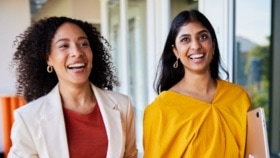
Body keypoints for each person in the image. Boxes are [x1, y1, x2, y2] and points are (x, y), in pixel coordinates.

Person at [8, 16, 138, 158]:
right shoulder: (28, 117)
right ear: (48, 58)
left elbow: (130, 155)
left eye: (83, 44)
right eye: (64, 45)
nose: (77, 52)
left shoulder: (122, 105)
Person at [143, 10, 251, 158]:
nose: (196, 45)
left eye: (203, 37)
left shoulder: (239, 98)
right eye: (185, 39)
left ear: (212, 45)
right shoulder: (160, 110)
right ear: (175, 51)